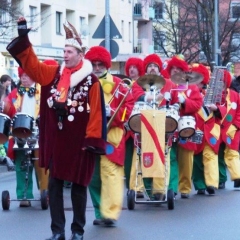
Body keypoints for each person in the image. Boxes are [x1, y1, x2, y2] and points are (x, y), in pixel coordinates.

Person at [7, 17, 106, 240]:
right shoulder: (53, 75)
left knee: (79, 188)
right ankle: (57, 231)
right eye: (64, 50)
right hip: (58, 142)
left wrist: (91, 142)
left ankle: (77, 231)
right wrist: (25, 39)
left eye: (69, 51)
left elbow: (96, 113)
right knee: (54, 186)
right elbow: (32, 66)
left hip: (80, 144)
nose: (65, 54)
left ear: (80, 55)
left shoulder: (91, 82)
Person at [85, 46, 134, 226]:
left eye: (100, 64)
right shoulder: (83, 83)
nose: (97, 68)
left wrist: (112, 114)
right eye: (93, 64)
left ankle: (110, 213)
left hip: (112, 134)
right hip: (89, 134)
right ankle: (100, 211)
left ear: (106, 65)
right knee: (93, 175)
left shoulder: (120, 86)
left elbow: (126, 111)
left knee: (111, 173)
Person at [5, 67, 49, 206]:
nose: (24, 78)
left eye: (27, 75)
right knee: (21, 164)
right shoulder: (13, 94)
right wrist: (7, 106)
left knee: (41, 164)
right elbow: (7, 111)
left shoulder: (44, 92)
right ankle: (24, 195)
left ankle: (44, 192)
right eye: (22, 75)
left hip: (39, 132)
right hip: (19, 133)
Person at [191, 63, 226, 195]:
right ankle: (200, 185)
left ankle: (212, 183)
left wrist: (216, 109)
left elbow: (223, 108)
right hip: (196, 130)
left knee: (210, 156)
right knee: (197, 159)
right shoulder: (189, 95)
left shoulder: (211, 94)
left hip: (211, 131)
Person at [124, 57, 145, 198]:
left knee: (139, 157)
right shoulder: (124, 84)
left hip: (138, 125)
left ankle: (137, 186)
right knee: (126, 159)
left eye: (135, 67)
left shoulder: (143, 85)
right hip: (126, 125)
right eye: (130, 67)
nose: (132, 69)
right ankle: (131, 186)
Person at [217, 70, 240, 189]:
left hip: (232, 128)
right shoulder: (214, 95)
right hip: (217, 128)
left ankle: (237, 177)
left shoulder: (235, 95)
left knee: (232, 152)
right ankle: (221, 179)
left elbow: (239, 112)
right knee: (218, 154)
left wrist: (236, 125)